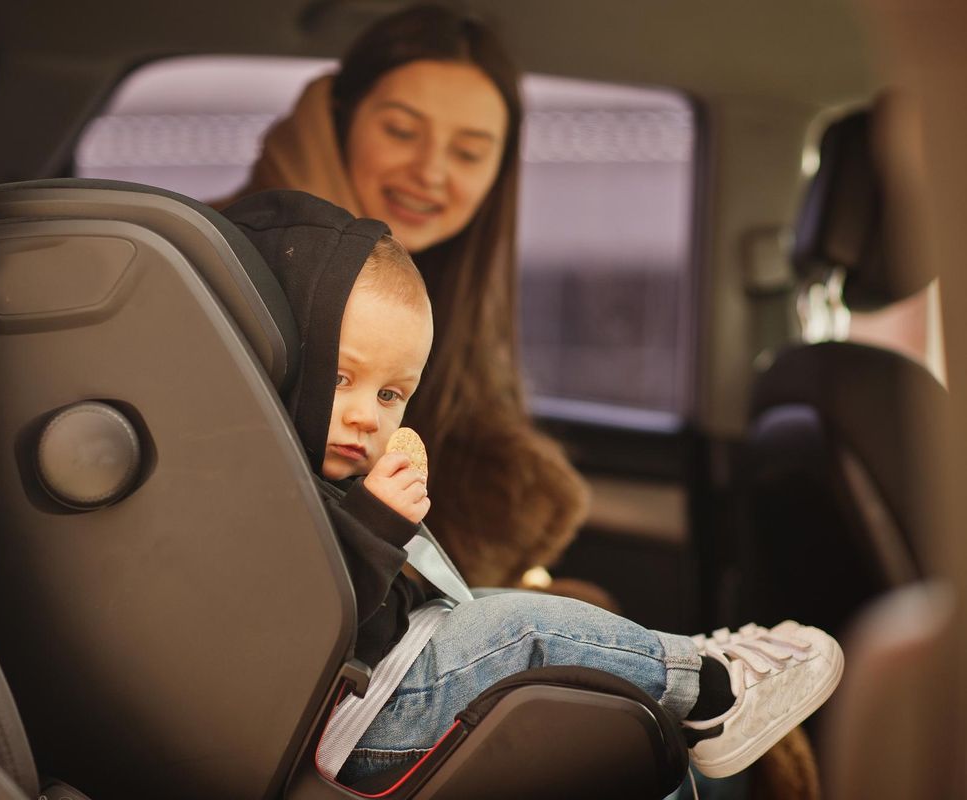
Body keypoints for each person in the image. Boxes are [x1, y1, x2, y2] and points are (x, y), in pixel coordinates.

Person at [223, 189, 844, 786]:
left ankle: (662, 658)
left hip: (374, 686)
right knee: (522, 631)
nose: (367, 416)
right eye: (338, 377)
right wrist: (373, 528)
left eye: (390, 395)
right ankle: (708, 693)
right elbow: (298, 620)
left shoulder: (314, 475)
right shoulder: (253, 486)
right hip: (353, 723)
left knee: (488, 608)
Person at [219, 3, 588, 589]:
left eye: (467, 152)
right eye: (400, 131)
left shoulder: (455, 303)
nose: (431, 172)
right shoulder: (229, 279)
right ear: (339, 122)